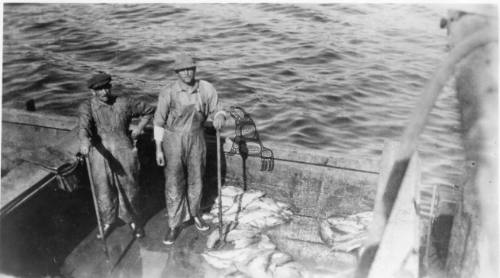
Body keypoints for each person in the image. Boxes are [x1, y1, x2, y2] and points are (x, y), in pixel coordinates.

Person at [153, 54, 226, 245]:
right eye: (182, 70)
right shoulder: (168, 92)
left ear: (195, 69)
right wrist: (159, 149)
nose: (187, 73)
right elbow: (158, 122)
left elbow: (218, 108)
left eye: (190, 69)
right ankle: (174, 223)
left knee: (197, 179)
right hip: (172, 140)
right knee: (174, 183)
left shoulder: (206, 88)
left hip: (197, 138)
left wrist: (219, 116)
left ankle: (195, 214)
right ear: (177, 72)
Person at [79, 72, 155, 239]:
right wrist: (84, 141)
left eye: (107, 87)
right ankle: (107, 221)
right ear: (93, 92)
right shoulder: (87, 106)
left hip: (123, 148)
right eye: (100, 89)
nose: (105, 92)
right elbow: (84, 125)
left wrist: (140, 127)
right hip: (100, 152)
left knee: (130, 186)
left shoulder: (124, 102)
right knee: (103, 188)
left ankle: (134, 221)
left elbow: (150, 110)